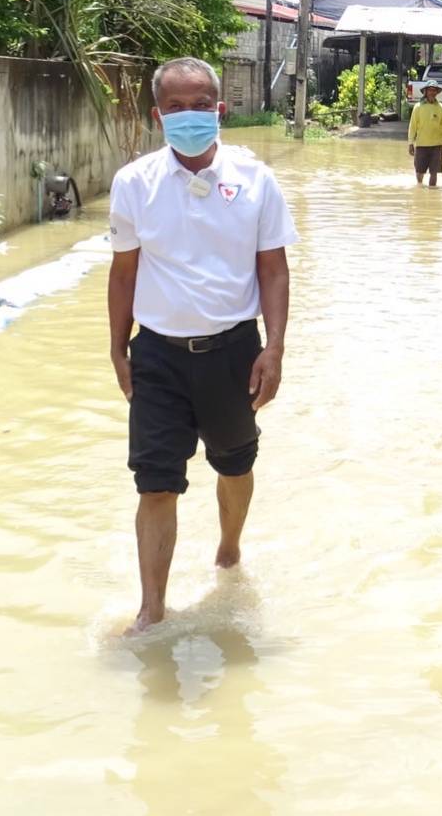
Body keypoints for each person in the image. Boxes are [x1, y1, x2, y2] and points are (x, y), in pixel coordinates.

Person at [107, 57, 298, 632]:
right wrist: (118, 348)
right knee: (155, 481)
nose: (188, 116)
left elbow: (274, 269)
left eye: (199, 105)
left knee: (235, 464)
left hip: (234, 351)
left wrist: (275, 348)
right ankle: (152, 608)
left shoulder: (255, 180)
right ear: (156, 114)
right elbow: (123, 273)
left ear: (220, 109)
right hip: (159, 355)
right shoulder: (134, 183)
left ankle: (229, 549)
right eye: (175, 107)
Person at [407, 81, 442, 187]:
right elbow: (412, 126)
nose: (432, 92)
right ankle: (420, 188)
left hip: (437, 146)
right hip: (421, 145)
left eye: (434, 90)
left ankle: (432, 191)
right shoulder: (418, 107)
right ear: (425, 92)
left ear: (437, 93)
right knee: (419, 172)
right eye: (430, 90)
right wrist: (410, 143)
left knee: (434, 173)